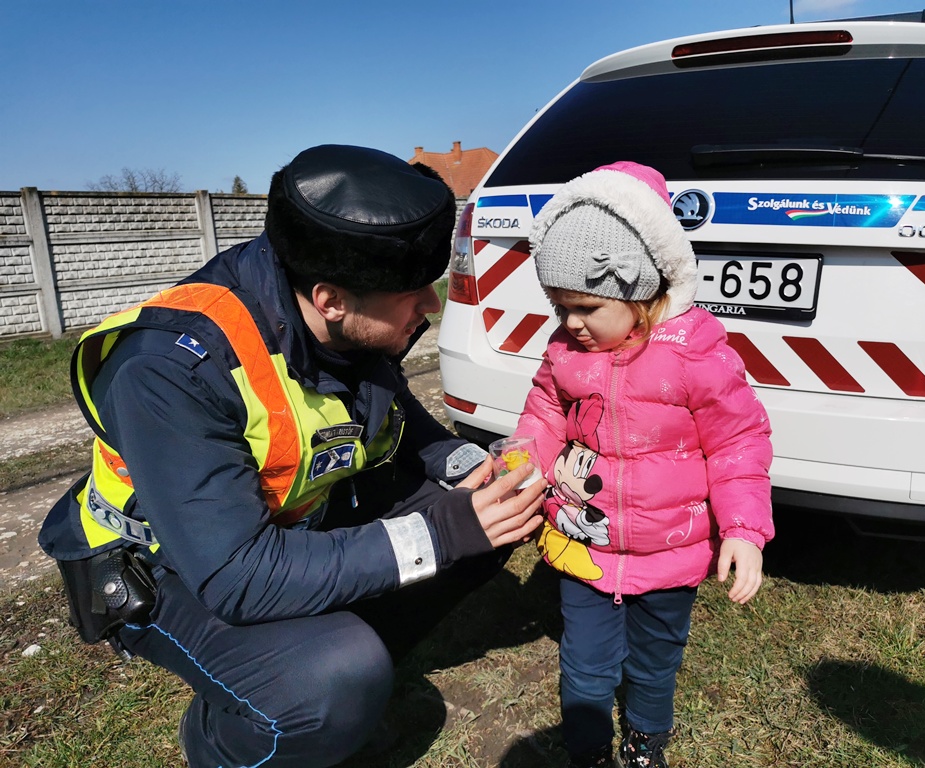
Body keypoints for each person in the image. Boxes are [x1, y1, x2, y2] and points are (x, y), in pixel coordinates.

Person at [38, 144, 546, 768]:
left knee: (487, 518)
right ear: (331, 299)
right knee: (333, 677)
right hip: (167, 564)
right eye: (415, 291)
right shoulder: (169, 369)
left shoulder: (336, 307)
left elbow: (390, 410)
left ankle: (347, 667)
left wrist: (465, 468)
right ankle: (229, 735)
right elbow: (236, 574)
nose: (432, 305)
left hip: (285, 524)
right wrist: (436, 534)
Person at [512, 161, 774, 767]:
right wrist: (525, 464)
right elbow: (545, 415)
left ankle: (646, 741)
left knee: (656, 663)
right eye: (558, 306)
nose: (569, 324)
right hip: (584, 544)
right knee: (584, 664)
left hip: (672, 553)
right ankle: (587, 750)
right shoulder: (565, 354)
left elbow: (738, 444)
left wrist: (743, 530)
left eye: (583, 307)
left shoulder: (695, 355)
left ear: (639, 290)